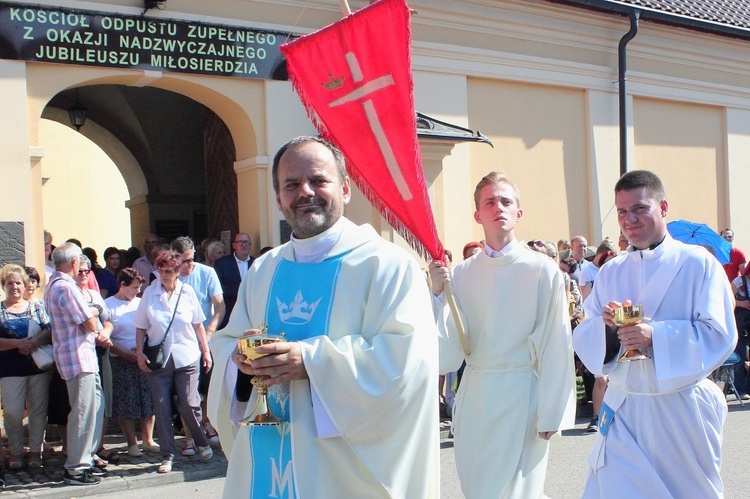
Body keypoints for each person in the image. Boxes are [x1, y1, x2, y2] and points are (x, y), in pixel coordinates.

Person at [207, 136, 439, 498]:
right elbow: (225, 344)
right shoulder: (265, 269)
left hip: (340, 470)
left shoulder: (387, 265)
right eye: (291, 184)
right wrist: (239, 361)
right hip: (267, 461)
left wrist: (310, 361)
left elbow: (409, 361)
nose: (305, 192)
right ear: (278, 197)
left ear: (345, 189)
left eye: (318, 180)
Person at [573, 170, 736, 498]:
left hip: (678, 410)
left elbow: (719, 334)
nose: (629, 219)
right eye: (622, 211)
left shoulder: (698, 265)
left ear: (663, 207)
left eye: (640, 208)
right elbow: (587, 334)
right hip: (625, 410)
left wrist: (656, 336)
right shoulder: (611, 272)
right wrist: (607, 329)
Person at [428, 171, 575, 498]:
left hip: (522, 396)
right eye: (490, 201)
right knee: (480, 487)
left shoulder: (542, 270)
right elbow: (448, 351)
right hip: (476, 396)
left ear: (519, 213)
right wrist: (439, 294)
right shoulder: (464, 274)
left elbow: (556, 343)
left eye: (506, 201)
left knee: (520, 490)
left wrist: (553, 409)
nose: (499, 208)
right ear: (478, 214)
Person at [134, 250, 213, 474]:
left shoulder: (187, 292)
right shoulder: (150, 292)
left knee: (189, 402)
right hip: (159, 359)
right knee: (161, 405)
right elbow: (140, 326)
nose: (164, 275)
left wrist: (205, 351)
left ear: (178, 271)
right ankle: (168, 455)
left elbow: (198, 324)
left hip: (187, 355)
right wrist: (139, 352)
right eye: (160, 270)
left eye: (168, 271)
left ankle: (201, 441)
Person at [44, 242, 111, 486]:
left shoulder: (54, 284)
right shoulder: (66, 287)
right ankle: (76, 467)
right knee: (82, 414)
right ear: (74, 263)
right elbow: (90, 323)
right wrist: (93, 312)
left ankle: (84, 461)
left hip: (77, 357)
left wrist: (91, 312)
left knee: (91, 409)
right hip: (77, 358)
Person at [170, 236, 225, 450]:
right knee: (186, 391)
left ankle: (208, 423)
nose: (188, 266)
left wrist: (210, 332)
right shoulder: (170, 277)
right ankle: (190, 433)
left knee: (208, 386)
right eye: (183, 261)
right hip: (182, 341)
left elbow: (219, 307)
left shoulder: (207, 273)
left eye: (191, 260)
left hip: (206, 338)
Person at [0, 264, 53, 470]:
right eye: (10, 283)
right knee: (12, 411)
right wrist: (17, 344)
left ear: (25, 286)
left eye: (18, 283)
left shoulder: (37, 307)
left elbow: (49, 330)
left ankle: (35, 452)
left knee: (38, 411)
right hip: (9, 369)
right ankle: (15, 451)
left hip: (37, 366)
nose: (15, 287)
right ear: (4, 285)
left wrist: (33, 342)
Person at [105, 268, 159, 457]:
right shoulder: (108, 305)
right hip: (121, 360)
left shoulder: (141, 303)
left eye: (139, 287)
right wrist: (127, 354)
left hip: (143, 357)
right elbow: (108, 338)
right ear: (122, 285)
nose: (138, 291)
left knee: (147, 399)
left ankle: (148, 439)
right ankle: (131, 442)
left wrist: (141, 352)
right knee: (126, 401)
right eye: (134, 287)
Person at [75, 256, 117, 466]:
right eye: (80, 271)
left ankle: (96, 446)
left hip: (101, 351)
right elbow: (84, 322)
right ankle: (83, 453)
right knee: (85, 406)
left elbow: (107, 320)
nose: (84, 274)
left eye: (87, 270)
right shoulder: (70, 294)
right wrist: (97, 329)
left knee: (102, 401)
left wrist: (105, 333)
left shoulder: (94, 294)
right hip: (81, 354)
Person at [214, 233, 255, 329]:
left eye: (246, 242)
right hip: (230, 311)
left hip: (251, 312)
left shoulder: (256, 262)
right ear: (234, 245)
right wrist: (242, 288)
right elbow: (219, 289)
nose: (243, 245)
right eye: (240, 242)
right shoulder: (222, 263)